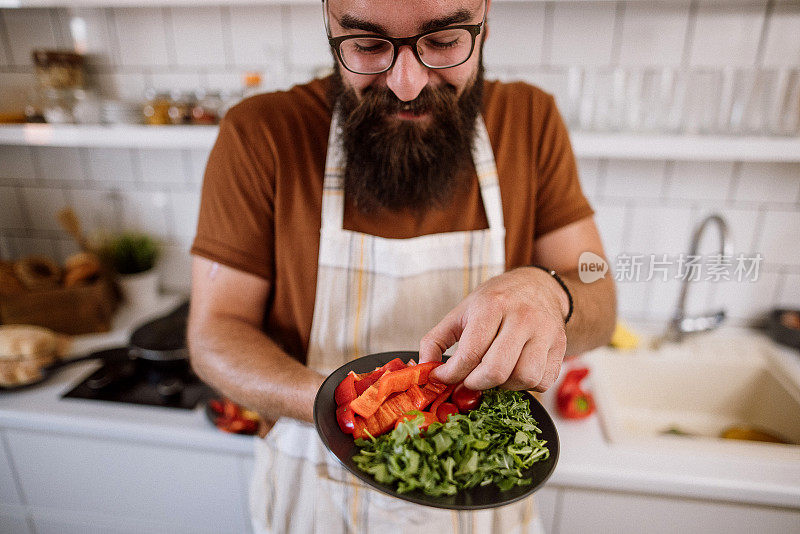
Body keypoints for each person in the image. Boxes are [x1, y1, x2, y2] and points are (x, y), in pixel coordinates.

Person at [188, 0, 616, 532]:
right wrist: (355, 408)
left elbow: (598, 287)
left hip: (481, 484)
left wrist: (550, 291)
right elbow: (214, 330)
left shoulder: (530, 121)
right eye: (367, 45)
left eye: (444, 41)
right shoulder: (261, 133)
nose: (407, 83)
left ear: (485, 25)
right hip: (312, 491)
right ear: (329, 28)